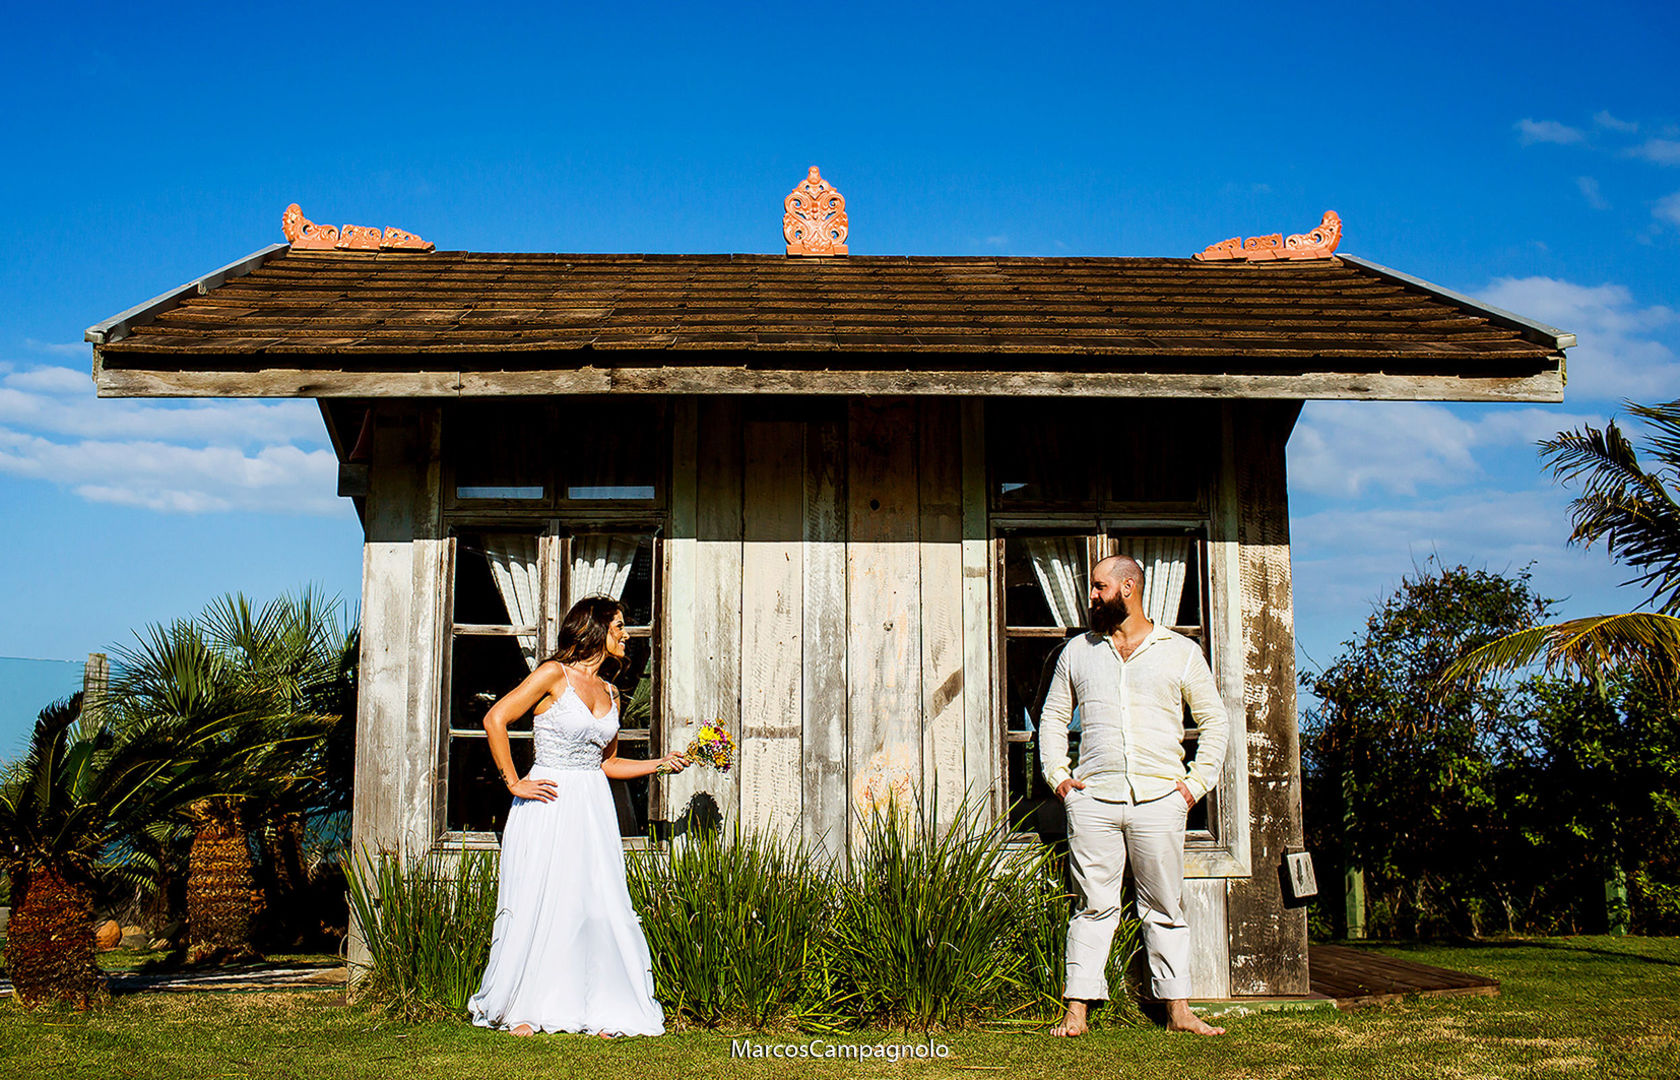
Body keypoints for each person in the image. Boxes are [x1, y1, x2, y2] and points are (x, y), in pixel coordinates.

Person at [467, 595, 689, 1037]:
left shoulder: (611, 693)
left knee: (594, 903)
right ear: (595, 628)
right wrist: (513, 781)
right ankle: (526, 1007)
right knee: (542, 898)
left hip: (592, 804)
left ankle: (602, 1004)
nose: (625, 634)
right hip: (547, 799)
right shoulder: (552, 674)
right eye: (619, 625)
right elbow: (496, 719)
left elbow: (607, 764)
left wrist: (658, 763)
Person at [1040, 555, 1229, 1037]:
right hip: (1094, 800)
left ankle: (1178, 1011)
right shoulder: (1078, 653)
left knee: (1164, 906)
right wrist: (1060, 778)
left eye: (1100, 587)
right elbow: (1053, 719)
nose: (1093, 596)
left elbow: (1214, 721)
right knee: (1093, 905)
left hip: (1160, 799)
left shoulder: (1179, 651)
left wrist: (1192, 786)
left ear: (1128, 588)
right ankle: (1076, 1011)